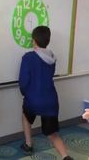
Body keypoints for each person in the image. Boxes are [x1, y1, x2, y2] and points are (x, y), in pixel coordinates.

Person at [18, 26, 74, 160]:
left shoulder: (28, 57)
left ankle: (28, 144)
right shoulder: (52, 57)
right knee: (52, 133)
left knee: (26, 115)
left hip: (33, 99)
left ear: (34, 41)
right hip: (51, 100)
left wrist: (25, 93)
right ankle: (66, 156)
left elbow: (23, 81)